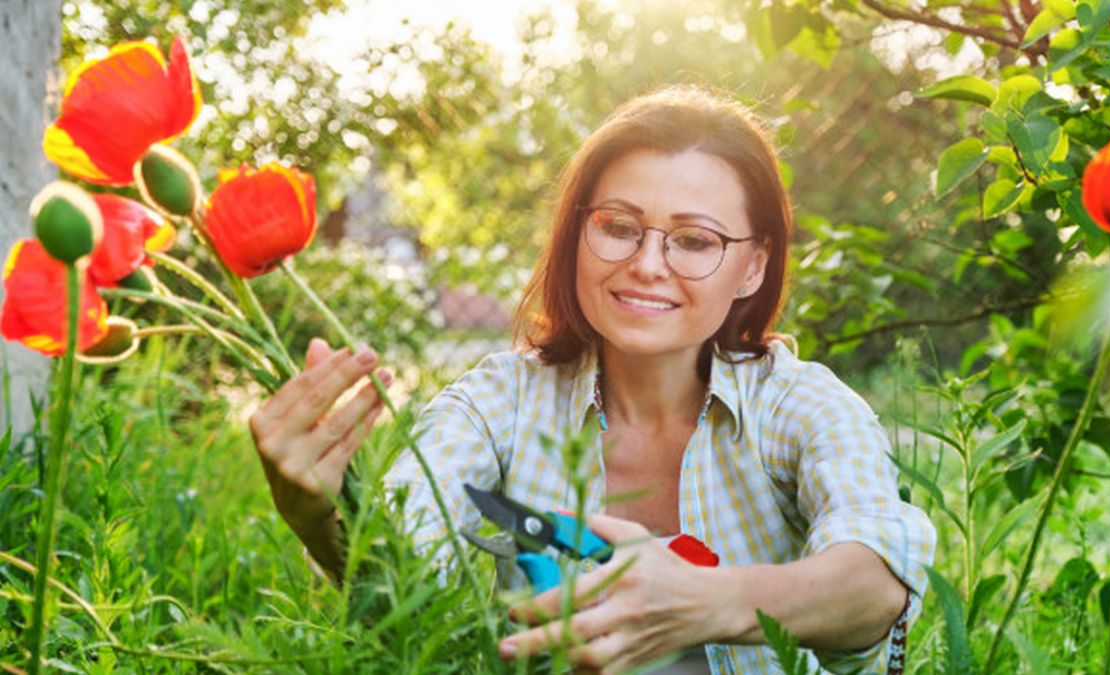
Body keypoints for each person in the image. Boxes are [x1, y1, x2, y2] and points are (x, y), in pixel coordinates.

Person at [249, 86, 936, 674]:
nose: (647, 263)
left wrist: (706, 601)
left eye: (693, 240)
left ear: (754, 266)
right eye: (618, 226)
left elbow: (876, 581)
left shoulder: (798, 401)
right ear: (579, 232)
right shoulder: (498, 401)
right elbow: (406, 572)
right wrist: (316, 518)